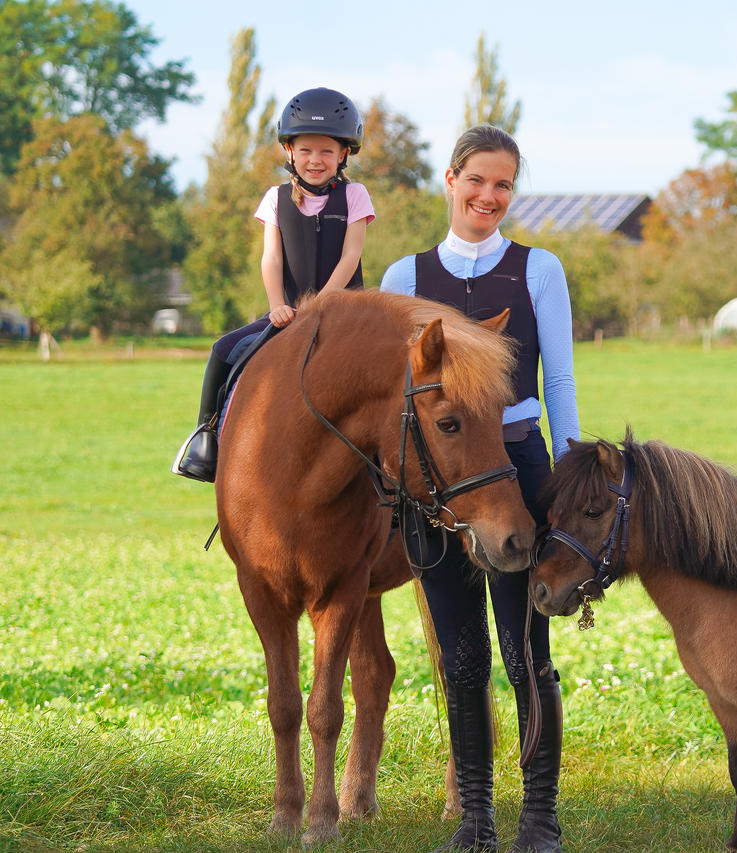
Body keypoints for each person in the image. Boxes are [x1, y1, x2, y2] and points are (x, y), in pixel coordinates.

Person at [380, 124, 579, 853]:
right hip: (436, 478)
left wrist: (565, 468)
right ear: (450, 180)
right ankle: (475, 820)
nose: (489, 196)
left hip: (517, 465)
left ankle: (540, 818)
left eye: (503, 185)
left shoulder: (538, 269)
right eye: (478, 181)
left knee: (525, 648)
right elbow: (393, 391)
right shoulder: (403, 277)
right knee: (460, 654)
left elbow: (557, 377)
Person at [172, 87, 374, 482]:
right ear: (289, 152)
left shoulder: (355, 195)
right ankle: (206, 439)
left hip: (346, 313)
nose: (315, 160)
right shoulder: (275, 198)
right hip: (287, 312)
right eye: (305, 151)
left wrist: (322, 302)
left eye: (326, 152)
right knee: (223, 350)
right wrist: (277, 305)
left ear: (344, 154)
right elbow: (272, 258)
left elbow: (351, 257)